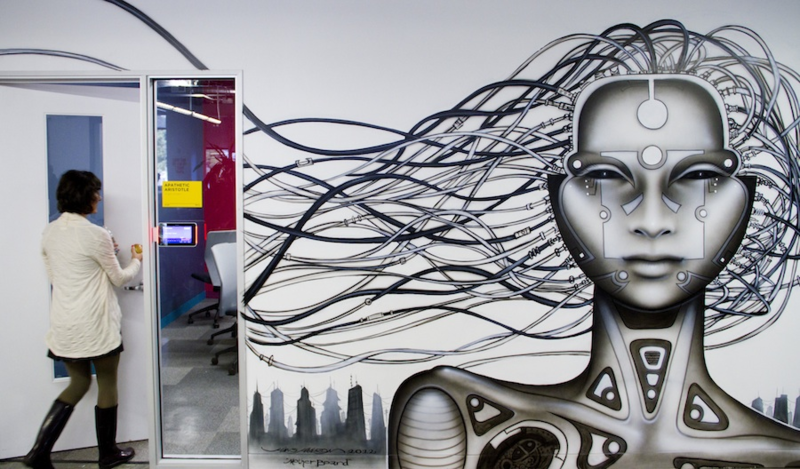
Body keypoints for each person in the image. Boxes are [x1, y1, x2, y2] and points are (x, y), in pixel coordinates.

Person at [24, 170, 143, 469]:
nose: (99, 198)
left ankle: (38, 452)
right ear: (85, 196)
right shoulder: (95, 234)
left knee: (78, 383)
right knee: (107, 382)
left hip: (65, 323)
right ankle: (108, 454)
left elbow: (59, 276)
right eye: (95, 192)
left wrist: (105, 255)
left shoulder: (49, 232)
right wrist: (136, 260)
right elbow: (119, 278)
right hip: (96, 323)